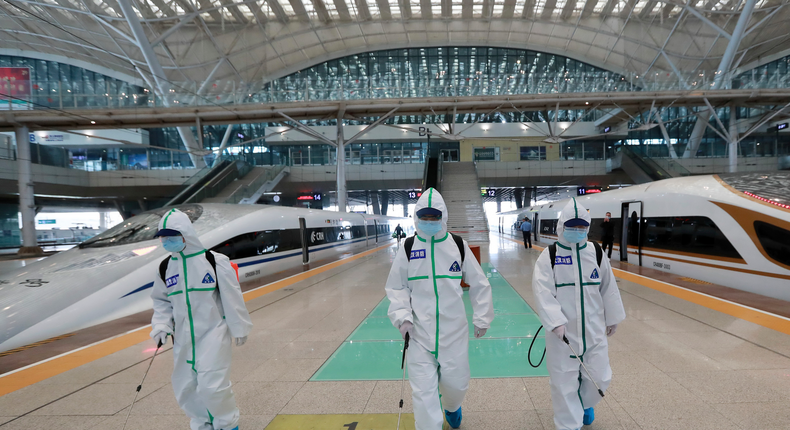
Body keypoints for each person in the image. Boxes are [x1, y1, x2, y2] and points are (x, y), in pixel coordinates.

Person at [385, 188, 494, 430]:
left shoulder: (457, 245)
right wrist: (402, 318)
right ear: (416, 217)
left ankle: (453, 406)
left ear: (443, 216)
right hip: (419, 335)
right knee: (423, 395)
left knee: (456, 385)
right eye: (425, 216)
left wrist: (482, 317)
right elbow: (396, 287)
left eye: (435, 217)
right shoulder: (409, 248)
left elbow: (479, 282)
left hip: (453, 333)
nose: (430, 221)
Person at [150, 208, 253, 430]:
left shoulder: (214, 261)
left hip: (213, 333)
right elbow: (162, 301)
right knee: (186, 386)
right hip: (183, 339)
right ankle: (202, 424)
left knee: (212, 385)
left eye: (171, 236)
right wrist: (160, 325)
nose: (166, 242)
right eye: (163, 238)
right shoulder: (165, 267)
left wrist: (239, 327)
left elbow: (232, 297)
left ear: (185, 234)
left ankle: (227, 424)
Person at [532, 199, 626, 430]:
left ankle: (585, 403)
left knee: (600, 378)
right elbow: (542, 291)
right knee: (564, 384)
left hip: (594, 332)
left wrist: (613, 317)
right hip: (563, 335)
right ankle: (568, 424)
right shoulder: (550, 256)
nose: (577, 230)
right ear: (562, 226)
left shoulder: (595, 252)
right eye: (572, 226)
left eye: (581, 226)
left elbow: (608, 286)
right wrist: (555, 323)